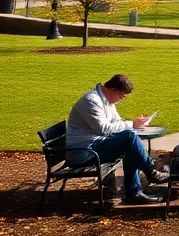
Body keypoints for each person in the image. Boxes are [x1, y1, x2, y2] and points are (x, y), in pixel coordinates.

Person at [66, 74, 167, 204]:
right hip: (83, 152)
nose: (121, 100)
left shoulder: (106, 101)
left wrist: (135, 125)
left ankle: (135, 191)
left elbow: (117, 121)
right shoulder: (91, 101)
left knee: (131, 146)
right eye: (122, 96)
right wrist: (131, 125)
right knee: (130, 140)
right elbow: (103, 129)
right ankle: (150, 172)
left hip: (95, 145)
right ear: (114, 90)